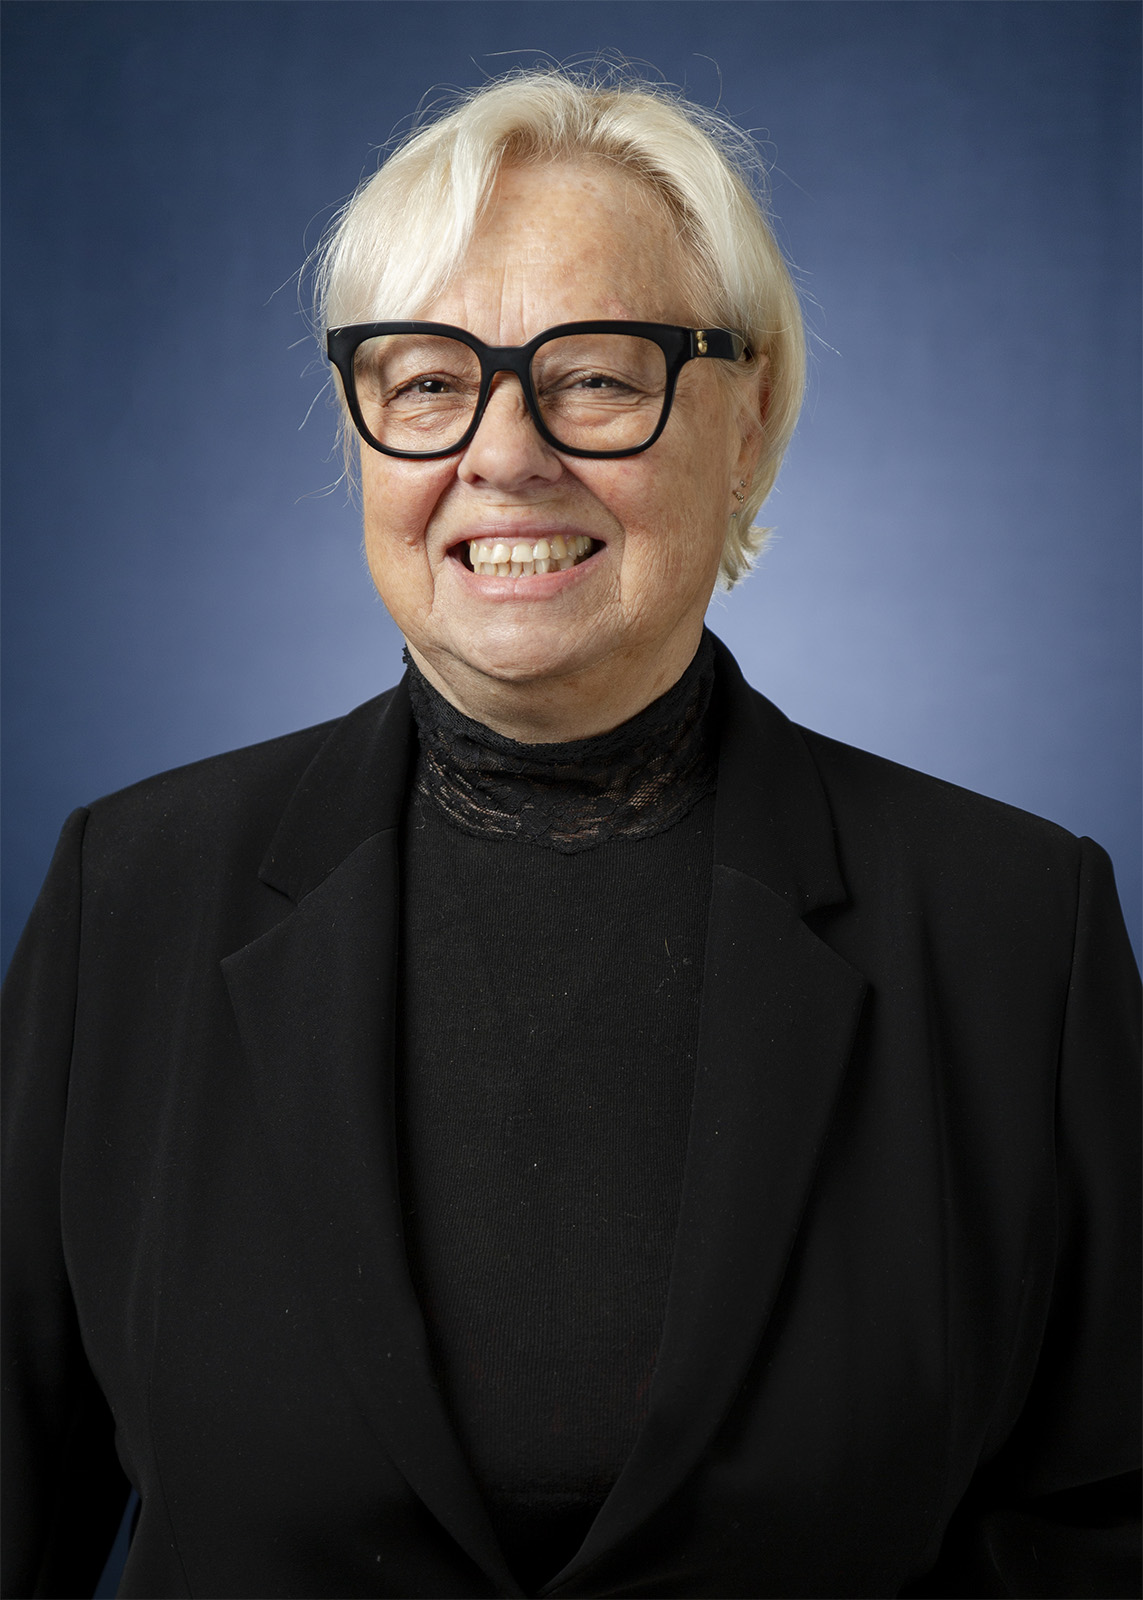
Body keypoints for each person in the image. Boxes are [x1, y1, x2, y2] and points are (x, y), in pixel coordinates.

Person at [2, 68, 1139, 1600]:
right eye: (426, 382)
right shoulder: (128, 901)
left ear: (748, 422)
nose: (505, 452)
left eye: (595, 375)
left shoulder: (1018, 934)